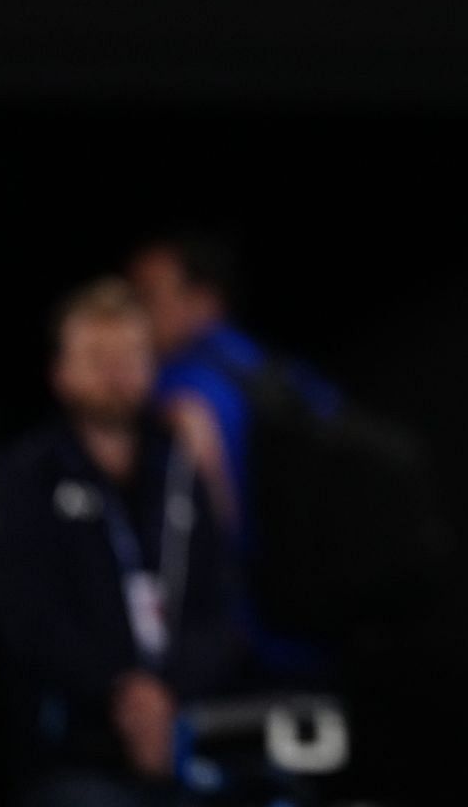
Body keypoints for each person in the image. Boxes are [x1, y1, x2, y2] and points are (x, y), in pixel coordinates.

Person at [0, 278, 241, 807]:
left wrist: (168, 692)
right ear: (60, 371)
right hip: (74, 752)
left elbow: (222, 608)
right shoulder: (25, 478)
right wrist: (122, 692)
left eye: (130, 355)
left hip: (189, 735)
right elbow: (28, 620)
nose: (116, 372)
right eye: (98, 356)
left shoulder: (179, 468)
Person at [127, 231, 339, 683]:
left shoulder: (180, 389)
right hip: (319, 631)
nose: (135, 315)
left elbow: (209, 527)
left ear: (203, 299)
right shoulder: (283, 375)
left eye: (147, 296)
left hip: (247, 641)